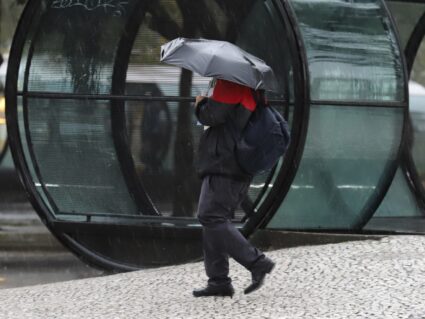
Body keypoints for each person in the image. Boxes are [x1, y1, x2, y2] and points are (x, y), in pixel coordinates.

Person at [193, 79, 275, 298]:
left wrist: (200, 103)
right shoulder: (251, 88)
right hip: (234, 162)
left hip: (225, 163)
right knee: (214, 219)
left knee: (210, 216)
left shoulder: (230, 84)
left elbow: (211, 115)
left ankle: (257, 261)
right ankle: (218, 280)